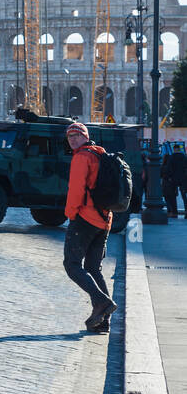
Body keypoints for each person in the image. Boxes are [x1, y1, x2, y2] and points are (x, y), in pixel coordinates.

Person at [63, 121, 117, 333]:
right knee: (93, 269)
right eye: (70, 136)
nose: (73, 138)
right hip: (104, 220)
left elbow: (76, 190)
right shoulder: (100, 154)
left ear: (86, 136)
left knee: (72, 265)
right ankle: (103, 323)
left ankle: (100, 301)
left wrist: (70, 215)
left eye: (77, 135)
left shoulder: (82, 157)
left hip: (85, 219)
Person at [162, 144, 187, 218]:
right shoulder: (184, 157)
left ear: (174, 149)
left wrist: (169, 177)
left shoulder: (171, 157)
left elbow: (169, 169)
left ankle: (174, 211)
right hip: (183, 179)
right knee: (184, 195)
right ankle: (186, 210)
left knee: (173, 196)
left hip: (173, 179)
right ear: (179, 149)